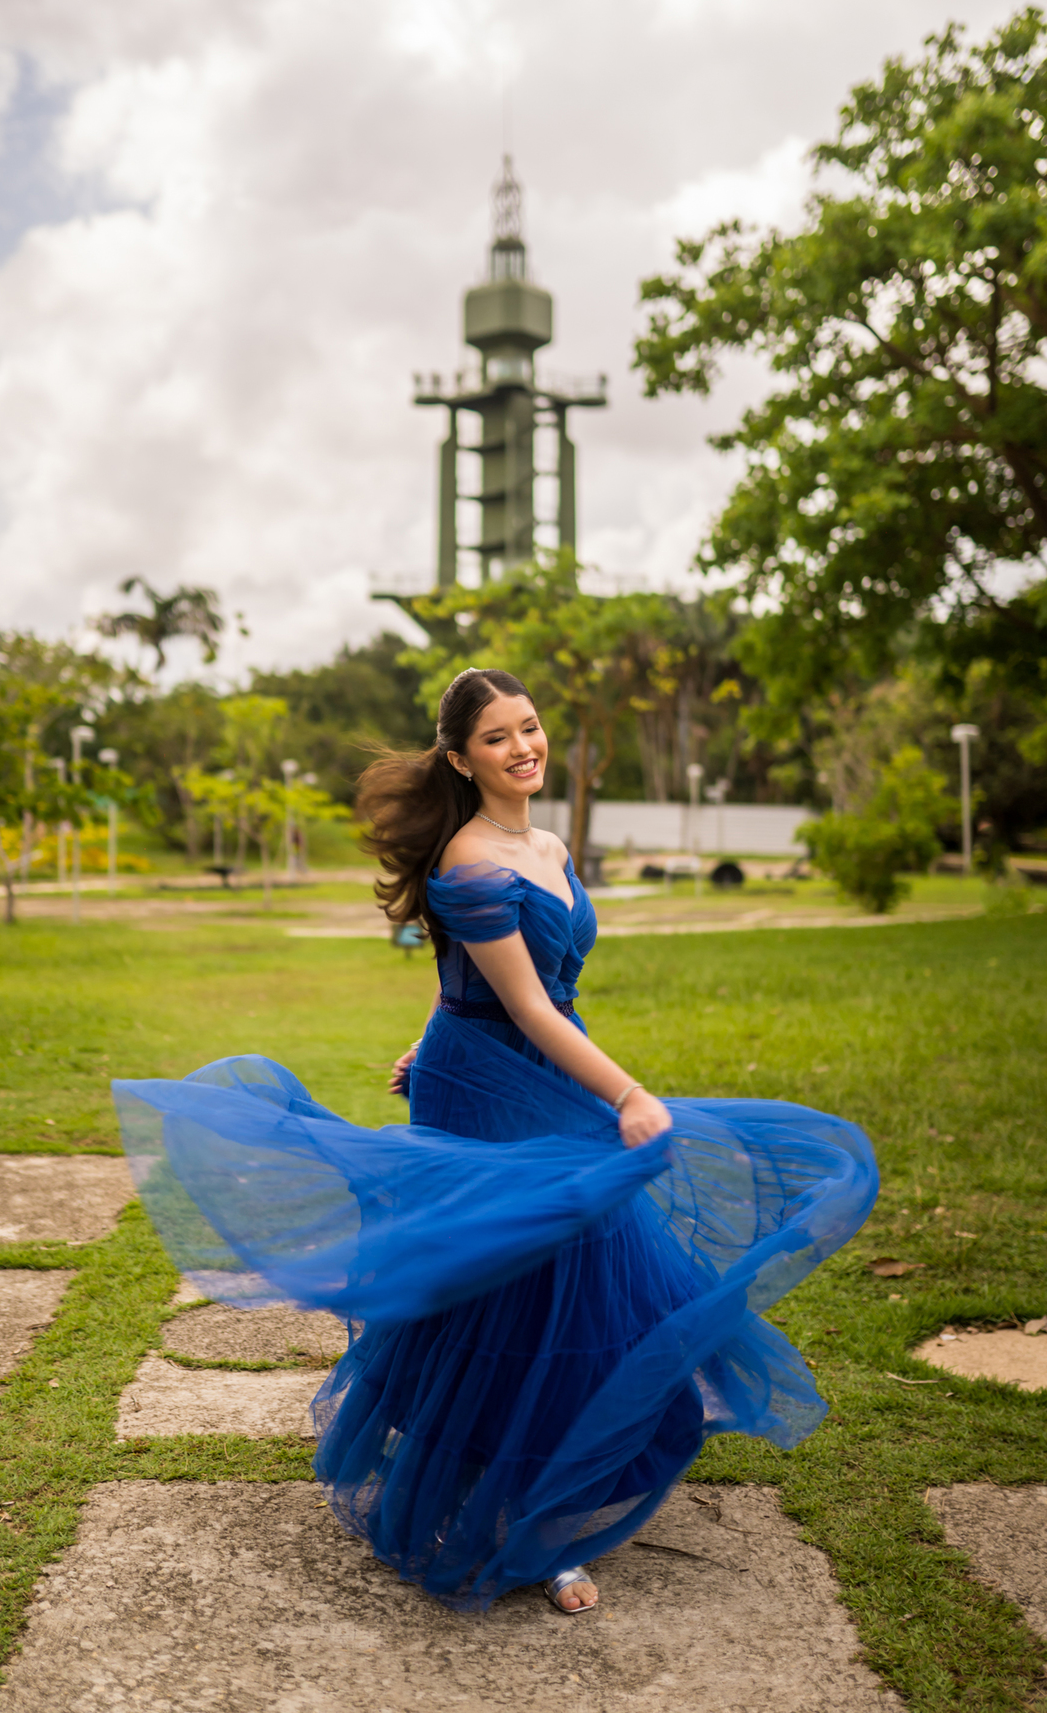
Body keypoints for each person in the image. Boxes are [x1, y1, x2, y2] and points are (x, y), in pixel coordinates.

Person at [113, 666, 878, 1617]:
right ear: (460, 758)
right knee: (528, 1283)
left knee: (578, 1272)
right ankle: (525, 1520)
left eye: (530, 726)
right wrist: (630, 1094)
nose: (524, 747)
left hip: (523, 1068)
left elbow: (488, 980)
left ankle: (545, 1481)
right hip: (492, 1088)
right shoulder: (471, 861)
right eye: (497, 738)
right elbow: (524, 1002)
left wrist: (427, 1031)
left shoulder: (547, 843)